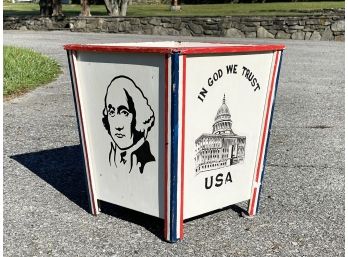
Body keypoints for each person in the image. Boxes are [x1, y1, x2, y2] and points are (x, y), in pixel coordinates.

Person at [102, 75, 155, 174]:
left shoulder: (148, 162)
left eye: (124, 113)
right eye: (112, 112)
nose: (118, 126)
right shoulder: (112, 154)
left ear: (137, 116)